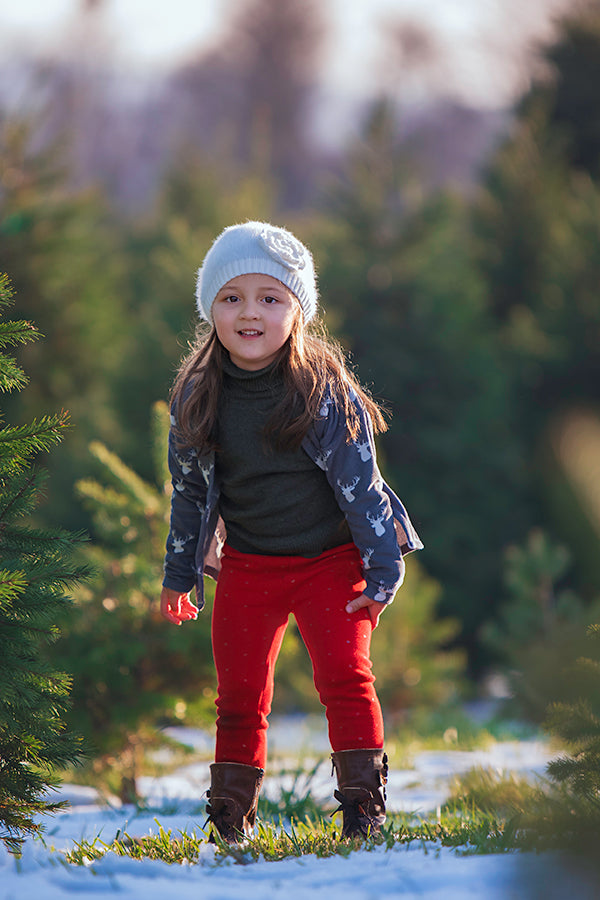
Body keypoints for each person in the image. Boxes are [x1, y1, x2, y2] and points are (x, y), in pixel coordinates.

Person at [160, 221, 423, 843]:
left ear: (297, 309)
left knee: (344, 678)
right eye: (232, 297)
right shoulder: (198, 396)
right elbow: (191, 494)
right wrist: (179, 575)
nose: (250, 312)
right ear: (211, 310)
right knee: (239, 692)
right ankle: (230, 819)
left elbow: (364, 486)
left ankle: (364, 810)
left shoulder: (322, 391)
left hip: (332, 560)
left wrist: (383, 570)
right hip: (250, 566)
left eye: (269, 297)